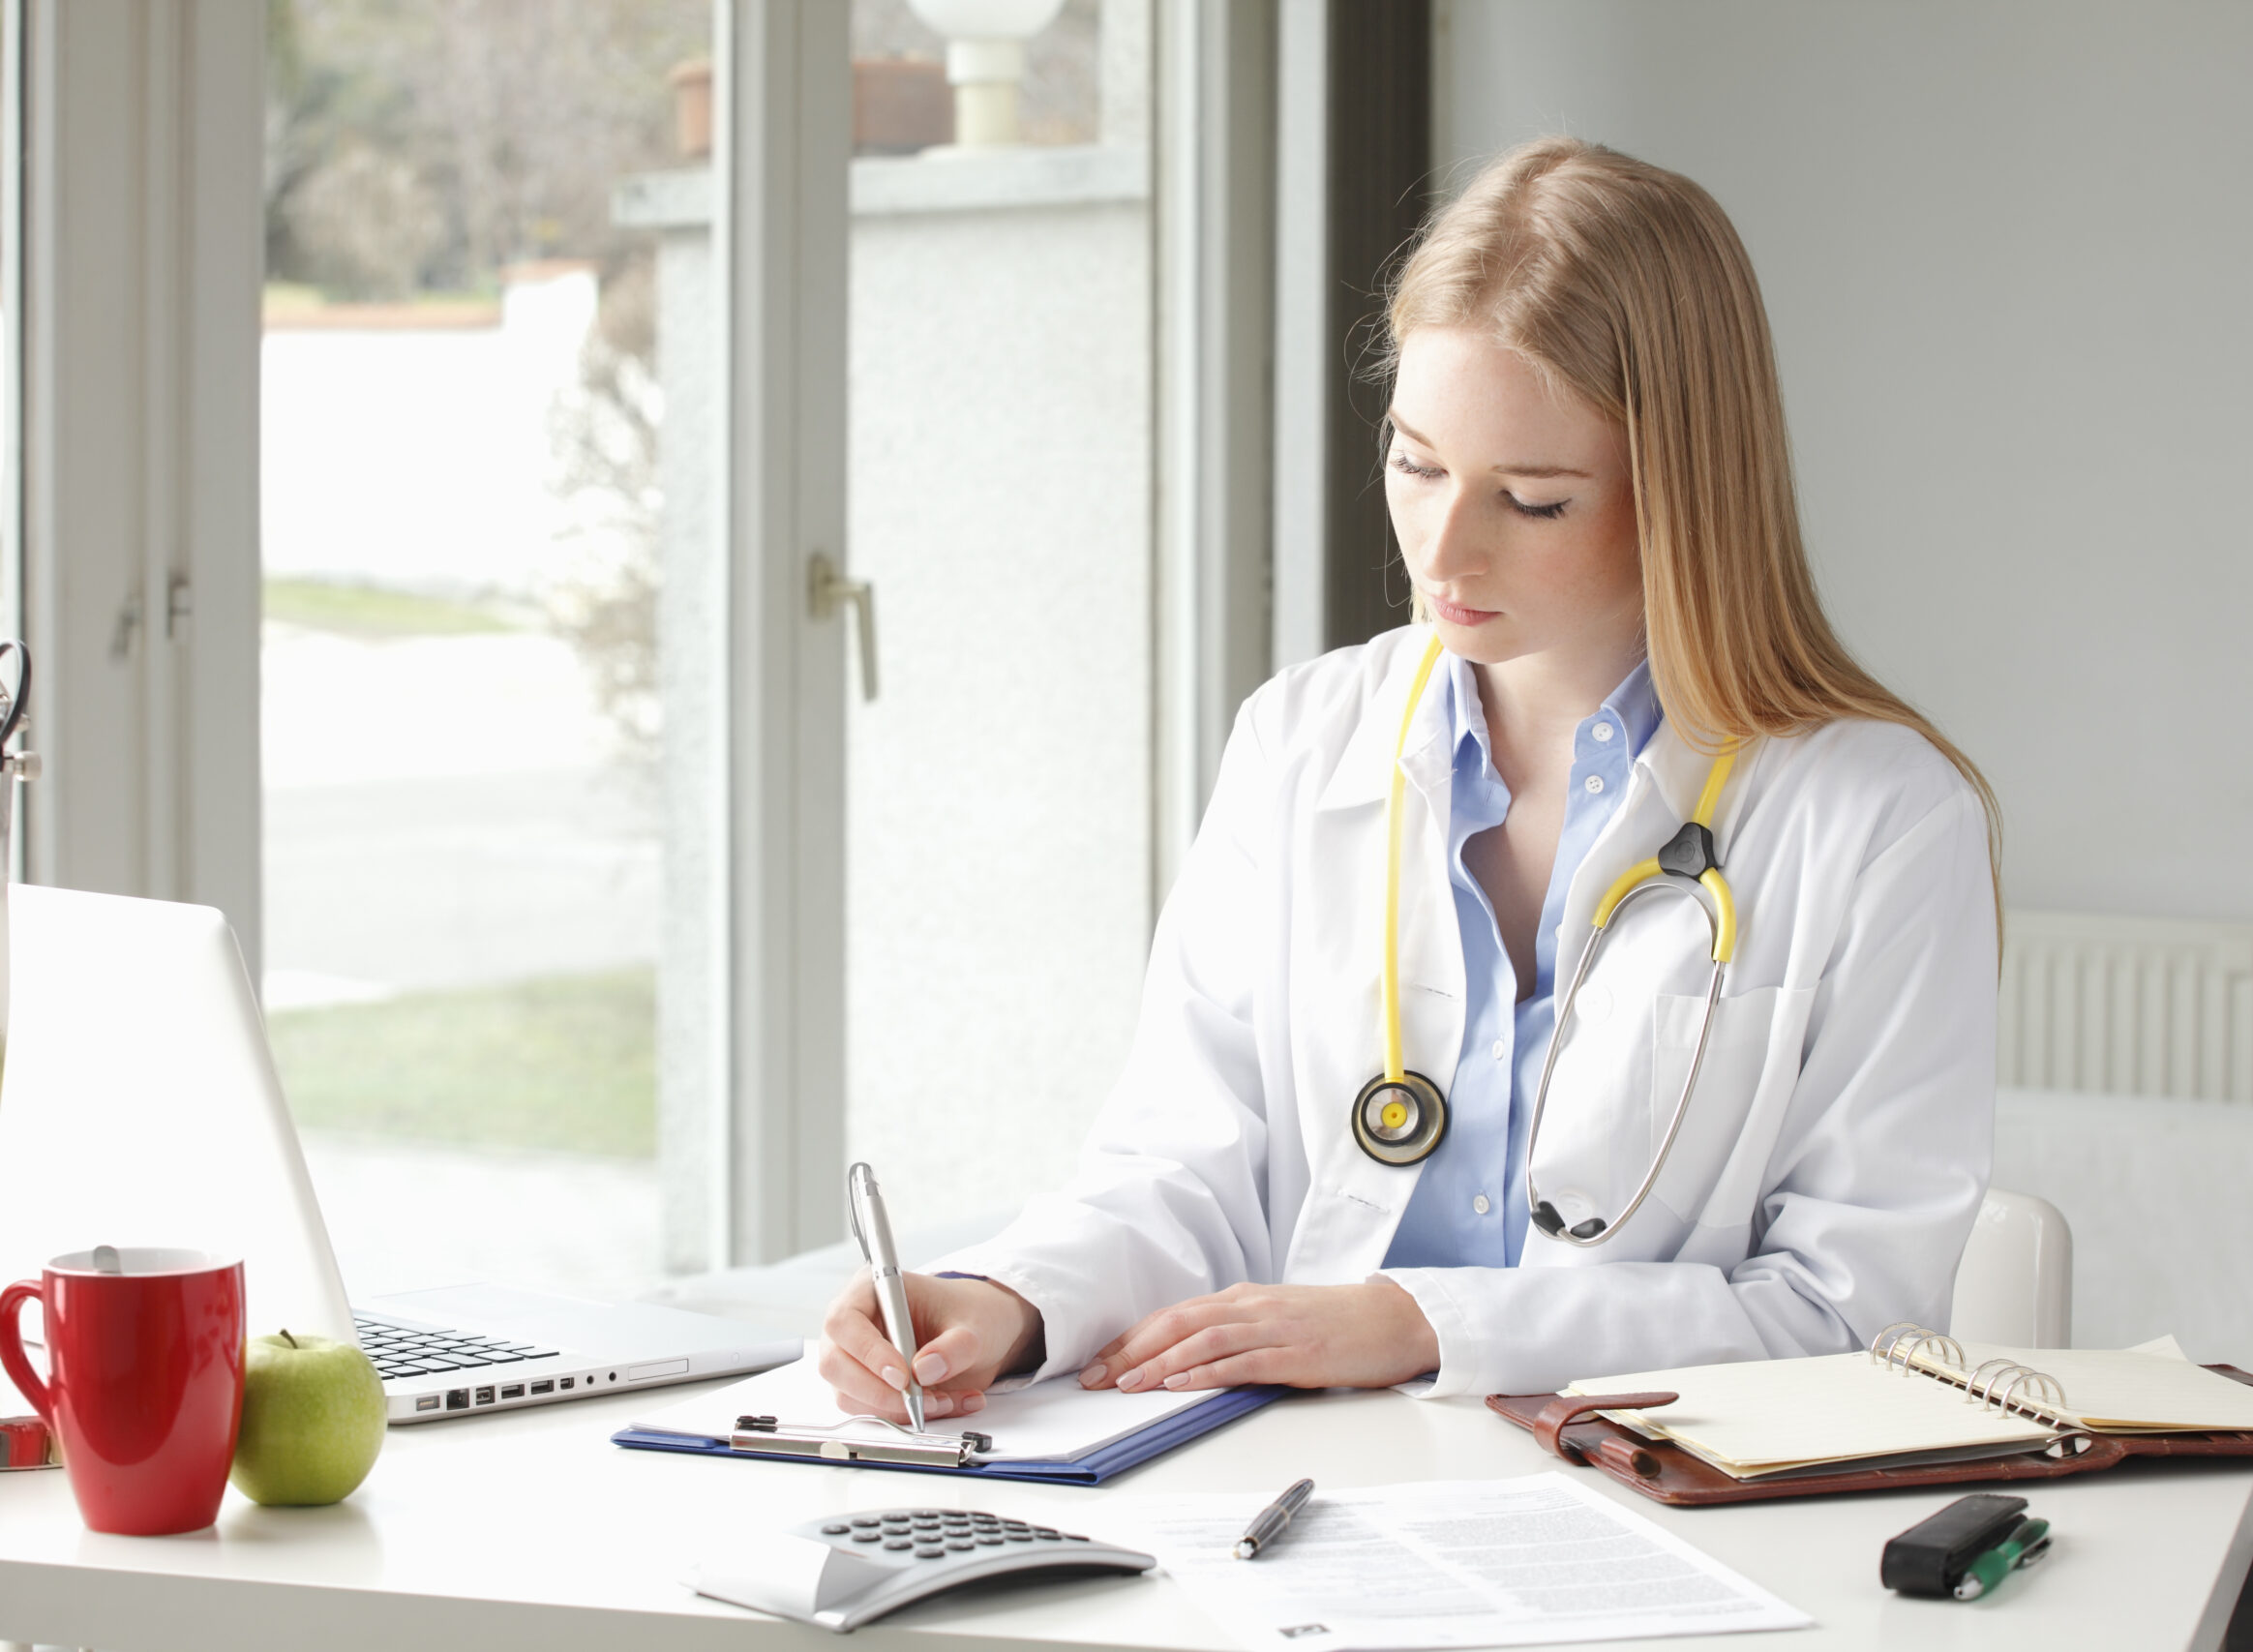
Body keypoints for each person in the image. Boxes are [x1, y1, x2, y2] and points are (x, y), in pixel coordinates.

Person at [822, 135, 1999, 1420]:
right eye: (1417, 461)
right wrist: (1011, 1299)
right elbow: (1184, 1164)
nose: (1444, 549)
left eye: (1534, 500)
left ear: (1682, 490)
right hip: (1304, 1492)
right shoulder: (1300, 742)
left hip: (1651, 1512)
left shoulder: (1878, 819)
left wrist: (1421, 1324)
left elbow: (1852, 1313)